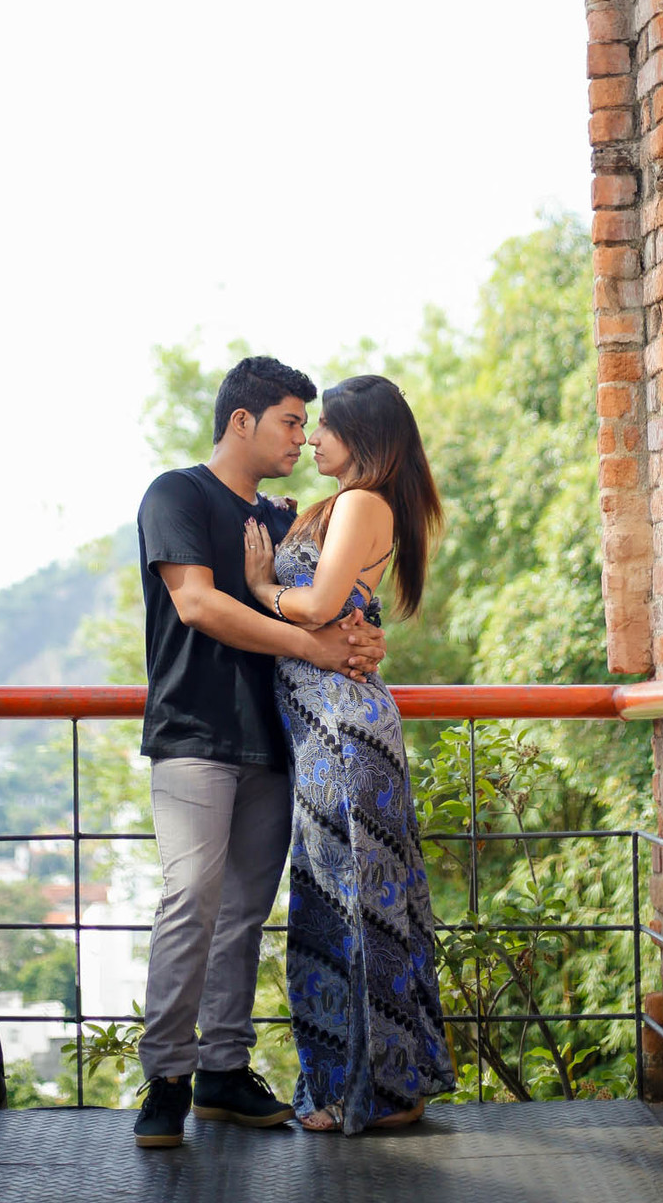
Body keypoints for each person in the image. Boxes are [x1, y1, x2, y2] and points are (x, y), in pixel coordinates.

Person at [133, 356, 387, 1150]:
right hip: (194, 736)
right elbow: (199, 602)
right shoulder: (174, 494)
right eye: (288, 421)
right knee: (190, 899)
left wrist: (356, 636)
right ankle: (166, 1079)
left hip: (278, 743)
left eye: (307, 425)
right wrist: (315, 647)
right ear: (240, 421)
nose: (301, 437)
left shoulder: (284, 521)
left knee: (243, 913)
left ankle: (221, 1071)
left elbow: (331, 601)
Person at [243, 373, 455, 1135]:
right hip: (320, 727)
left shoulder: (362, 503)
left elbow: (318, 605)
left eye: (323, 427)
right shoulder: (328, 507)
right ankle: (351, 1085)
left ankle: (381, 1092)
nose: (311, 439)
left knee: (358, 910)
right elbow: (340, 611)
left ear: (360, 438)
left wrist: (262, 586)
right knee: (331, 909)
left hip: (343, 730)